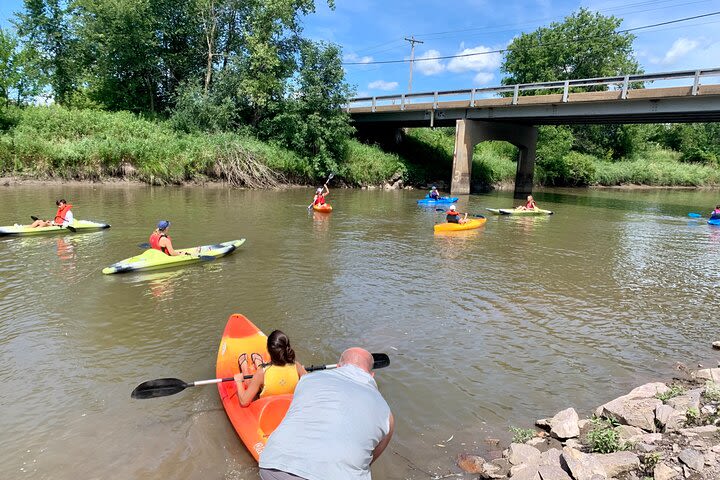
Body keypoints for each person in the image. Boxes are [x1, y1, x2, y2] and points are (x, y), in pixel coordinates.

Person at [258, 347, 394, 480]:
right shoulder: (387, 415)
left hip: (272, 466)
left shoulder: (306, 380)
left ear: (337, 366)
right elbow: (369, 460)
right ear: (372, 375)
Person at [233, 330, 307, 407]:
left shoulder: (262, 373)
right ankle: (259, 363)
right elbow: (312, 385)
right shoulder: (297, 366)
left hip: (267, 408)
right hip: (289, 406)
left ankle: (245, 367)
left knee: (251, 383)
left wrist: (238, 381)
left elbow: (244, 402)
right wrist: (302, 372)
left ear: (268, 350)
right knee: (259, 377)